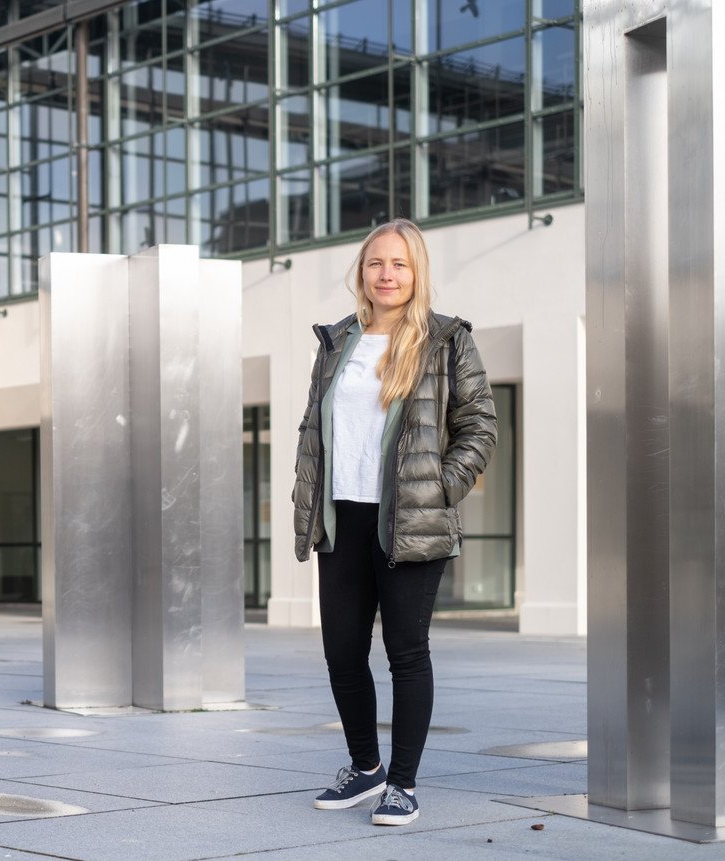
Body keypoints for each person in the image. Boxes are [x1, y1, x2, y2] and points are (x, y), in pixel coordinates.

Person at [292, 218, 496, 826]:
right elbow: (314, 431)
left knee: (406, 653)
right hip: (342, 519)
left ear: (417, 273)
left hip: (409, 520)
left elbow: (480, 425)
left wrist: (439, 488)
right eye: (377, 263)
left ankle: (402, 784)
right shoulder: (338, 341)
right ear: (362, 271)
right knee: (342, 652)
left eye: (400, 264)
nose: (387, 274)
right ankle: (364, 768)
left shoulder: (445, 340)